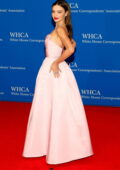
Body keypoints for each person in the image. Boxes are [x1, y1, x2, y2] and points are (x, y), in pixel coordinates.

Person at [22, 0, 94, 165]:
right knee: (53, 106)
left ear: (66, 13)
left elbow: (69, 49)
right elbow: (70, 46)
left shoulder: (61, 29)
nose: (55, 14)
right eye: (53, 11)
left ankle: (58, 147)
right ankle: (54, 145)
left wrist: (55, 62)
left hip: (53, 70)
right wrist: (69, 47)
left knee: (56, 107)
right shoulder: (62, 29)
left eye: (59, 11)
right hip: (52, 70)